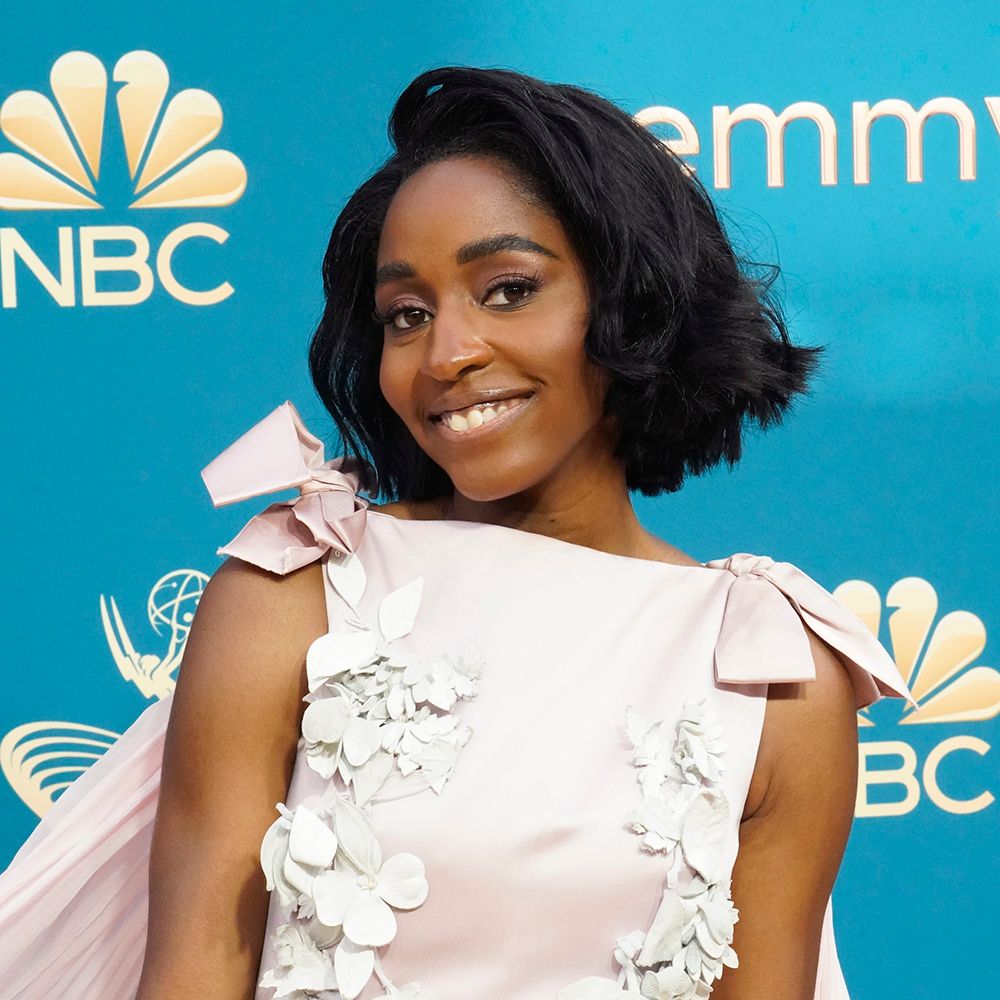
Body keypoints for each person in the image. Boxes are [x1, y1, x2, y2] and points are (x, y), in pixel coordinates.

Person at [0, 65, 913, 1000]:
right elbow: (193, 972)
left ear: (632, 301)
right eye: (408, 314)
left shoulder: (766, 665)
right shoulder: (294, 590)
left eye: (508, 290)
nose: (447, 354)